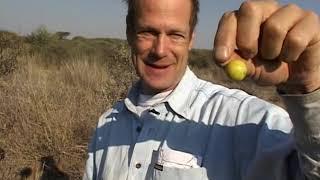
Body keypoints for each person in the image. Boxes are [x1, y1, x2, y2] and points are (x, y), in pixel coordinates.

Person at [83, 0, 320, 179]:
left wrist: (307, 87)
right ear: (129, 34)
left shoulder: (241, 119)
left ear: (191, 39)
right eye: (148, 32)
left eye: (176, 35)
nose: (160, 49)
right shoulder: (107, 123)